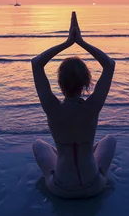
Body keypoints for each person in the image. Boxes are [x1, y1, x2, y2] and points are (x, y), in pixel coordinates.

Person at [32, 11, 116, 199]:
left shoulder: (52, 109)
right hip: (94, 185)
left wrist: (67, 42)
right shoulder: (92, 106)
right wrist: (81, 42)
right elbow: (109, 65)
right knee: (109, 139)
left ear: (60, 82)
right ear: (86, 82)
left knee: (39, 144)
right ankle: (87, 156)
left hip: (61, 188)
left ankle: (62, 155)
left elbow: (36, 63)